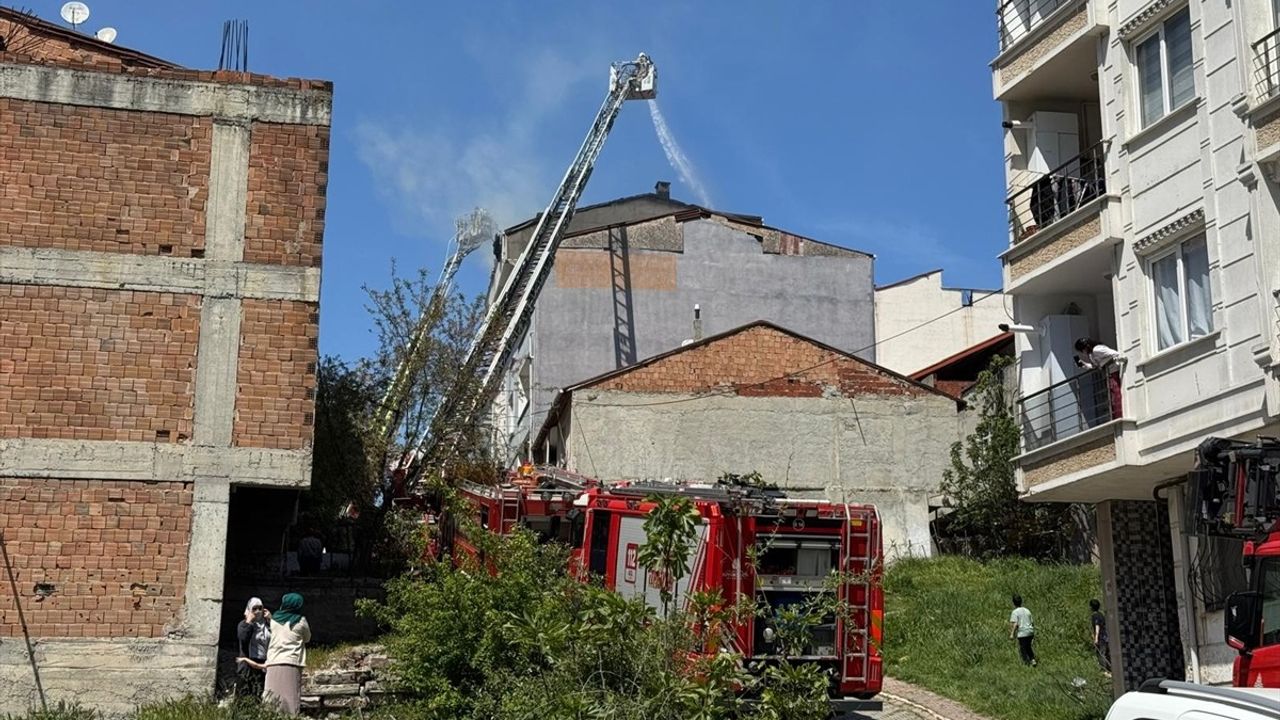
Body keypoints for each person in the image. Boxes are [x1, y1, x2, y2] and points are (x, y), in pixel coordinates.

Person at [263, 593, 311, 716]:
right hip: (292, 662)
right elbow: (307, 638)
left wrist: (270, 618)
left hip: (273, 662)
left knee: (271, 700)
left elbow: (276, 627)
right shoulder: (301, 621)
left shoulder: (274, 620)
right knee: (290, 701)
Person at [1074, 337, 1125, 417]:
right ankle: (1116, 414)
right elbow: (1095, 366)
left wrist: (1104, 363)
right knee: (1112, 394)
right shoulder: (1091, 355)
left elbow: (1115, 354)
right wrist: (1083, 364)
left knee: (1115, 392)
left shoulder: (1097, 349)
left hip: (1113, 369)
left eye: (1082, 350)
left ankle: (1119, 414)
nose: (1083, 352)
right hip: (1108, 373)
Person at [235, 597, 272, 699]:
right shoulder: (244, 624)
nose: (258, 611)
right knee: (244, 693)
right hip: (248, 663)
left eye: (260, 608)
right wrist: (249, 621)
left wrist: (270, 620)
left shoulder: (267, 625)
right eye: (254, 609)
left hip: (263, 663)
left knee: (259, 693)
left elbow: (277, 636)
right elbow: (243, 638)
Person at [1009, 594, 1037, 667]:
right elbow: (1032, 622)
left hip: (1022, 633)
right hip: (1030, 631)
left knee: (1023, 649)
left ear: (1013, 603)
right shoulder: (1027, 610)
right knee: (1028, 647)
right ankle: (1033, 660)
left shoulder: (1015, 612)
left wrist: (1012, 634)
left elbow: (1015, 624)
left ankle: (1026, 663)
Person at [1090, 598, 1112, 675]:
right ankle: (1110, 669)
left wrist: (1096, 638)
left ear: (1091, 607)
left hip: (1101, 638)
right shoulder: (1101, 615)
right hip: (1106, 637)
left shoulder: (1095, 616)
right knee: (1106, 653)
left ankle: (1105, 670)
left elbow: (1097, 626)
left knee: (1101, 654)